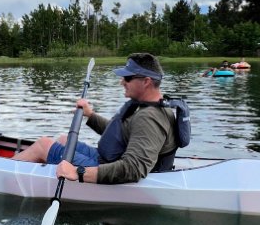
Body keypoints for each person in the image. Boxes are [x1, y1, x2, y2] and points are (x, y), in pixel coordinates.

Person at [13, 52, 184, 184]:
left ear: (146, 82)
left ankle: (2, 170)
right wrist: (90, 115)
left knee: (44, 145)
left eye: (127, 78)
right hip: (107, 159)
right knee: (64, 140)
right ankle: (40, 170)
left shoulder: (149, 118)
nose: (121, 82)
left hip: (110, 169)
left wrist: (78, 173)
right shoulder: (152, 106)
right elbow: (121, 134)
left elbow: (133, 169)